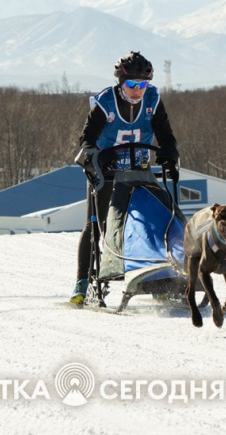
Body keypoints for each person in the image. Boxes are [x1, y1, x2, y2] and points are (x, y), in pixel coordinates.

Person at [69, 51, 180, 304]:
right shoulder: (105, 102)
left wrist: (169, 155)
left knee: (157, 220)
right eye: (132, 85)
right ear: (121, 83)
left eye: (143, 84)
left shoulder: (153, 99)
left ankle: (158, 279)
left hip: (140, 169)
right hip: (107, 172)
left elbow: (165, 134)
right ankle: (82, 282)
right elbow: (87, 138)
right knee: (95, 225)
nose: (137, 90)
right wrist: (95, 155)